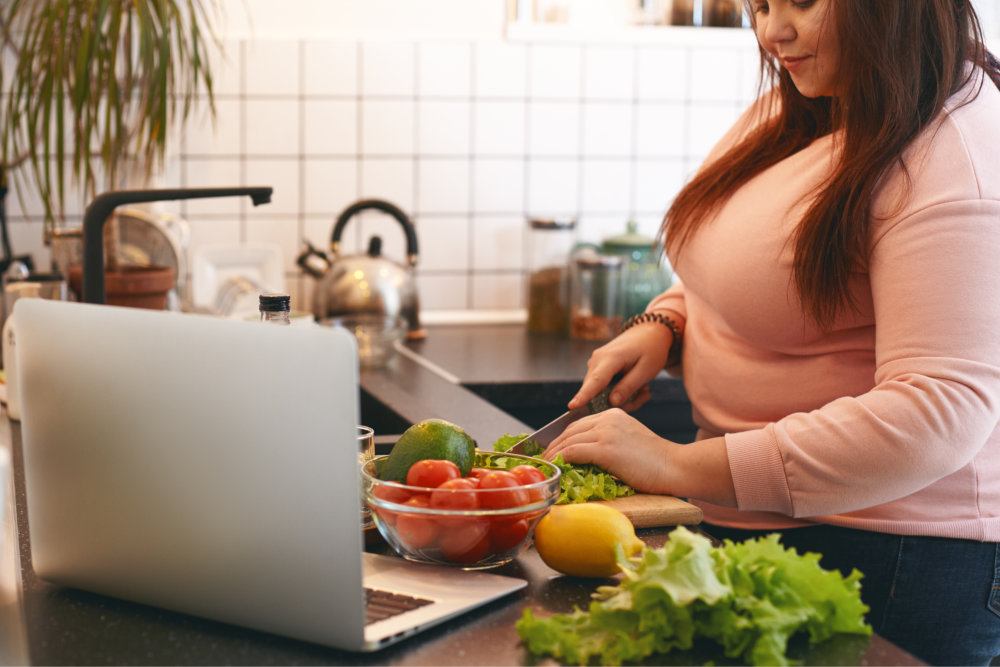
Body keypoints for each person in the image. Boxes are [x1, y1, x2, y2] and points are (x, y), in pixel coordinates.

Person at [543, 1, 1000, 664]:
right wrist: (665, 322)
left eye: (802, 2)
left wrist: (673, 464)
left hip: (894, 558)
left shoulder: (956, 152)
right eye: (760, 4)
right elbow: (750, 268)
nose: (771, 31)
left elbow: (939, 413)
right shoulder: (812, 107)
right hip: (758, 528)